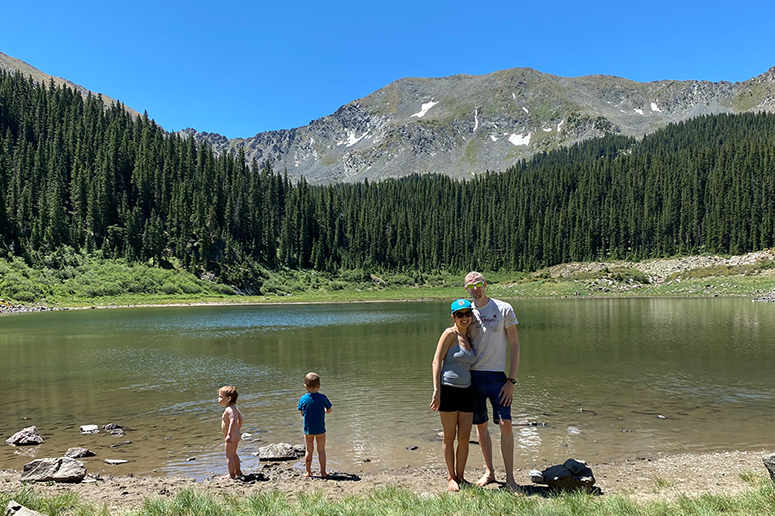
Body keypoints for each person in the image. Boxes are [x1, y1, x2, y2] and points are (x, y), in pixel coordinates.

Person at [465, 271, 521, 491]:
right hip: (474, 377)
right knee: (481, 427)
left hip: (498, 377)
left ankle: (510, 479)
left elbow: (515, 345)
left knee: (506, 424)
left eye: (478, 284)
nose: (476, 289)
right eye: (471, 286)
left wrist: (511, 380)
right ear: (466, 289)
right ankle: (489, 472)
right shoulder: (466, 312)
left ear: (485, 285)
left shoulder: (504, 308)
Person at [430, 298, 477, 491]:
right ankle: (451, 477)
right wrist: (436, 390)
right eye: (460, 314)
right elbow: (436, 361)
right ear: (453, 316)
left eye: (467, 313)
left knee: (464, 438)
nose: (464, 318)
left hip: (467, 391)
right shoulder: (449, 334)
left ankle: (461, 476)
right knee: (449, 437)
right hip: (448, 389)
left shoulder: (471, 336)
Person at [298, 372, 333, 478]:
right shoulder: (322, 397)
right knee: (321, 450)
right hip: (320, 429)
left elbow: (302, 412)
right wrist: (325, 411)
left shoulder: (303, 399)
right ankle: (323, 472)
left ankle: (308, 472)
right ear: (319, 386)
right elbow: (329, 409)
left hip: (308, 430)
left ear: (305, 386)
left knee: (309, 450)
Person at [217, 385, 244, 479]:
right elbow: (241, 419)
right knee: (234, 454)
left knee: (229, 456)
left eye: (220, 397)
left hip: (231, 436)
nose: (218, 399)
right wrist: (238, 430)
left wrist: (229, 435)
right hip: (236, 435)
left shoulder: (228, 410)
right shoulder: (234, 408)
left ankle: (231, 475)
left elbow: (233, 421)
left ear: (228, 398)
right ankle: (238, 471)